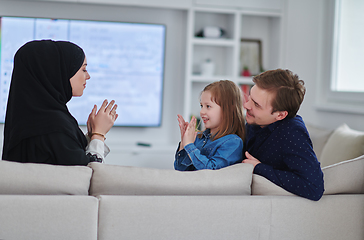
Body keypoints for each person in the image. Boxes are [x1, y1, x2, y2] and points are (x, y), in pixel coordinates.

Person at [2, 40, 118, 165]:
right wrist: (98, 135)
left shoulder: (28, 119)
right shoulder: (54, 125)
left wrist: (90, 137)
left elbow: (63, 159)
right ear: (58, 71)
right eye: (83, 69)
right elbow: (88, 175)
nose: (88, 76)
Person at [242, 69, 324, 201]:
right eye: (250, 97)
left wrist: (259, 168)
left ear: (280, 115)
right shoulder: (256, 120)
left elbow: (313, 187)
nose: (246, 105)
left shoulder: (292, 133)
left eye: (256, 105)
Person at [174, 80, 245, 171]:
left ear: (226, 110)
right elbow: (180, 169)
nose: (202, 112)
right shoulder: (198, 138)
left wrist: (189, 145)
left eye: (208, 106)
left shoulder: (233, 142)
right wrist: (183, 144)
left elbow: (211, 171)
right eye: (201, 106)